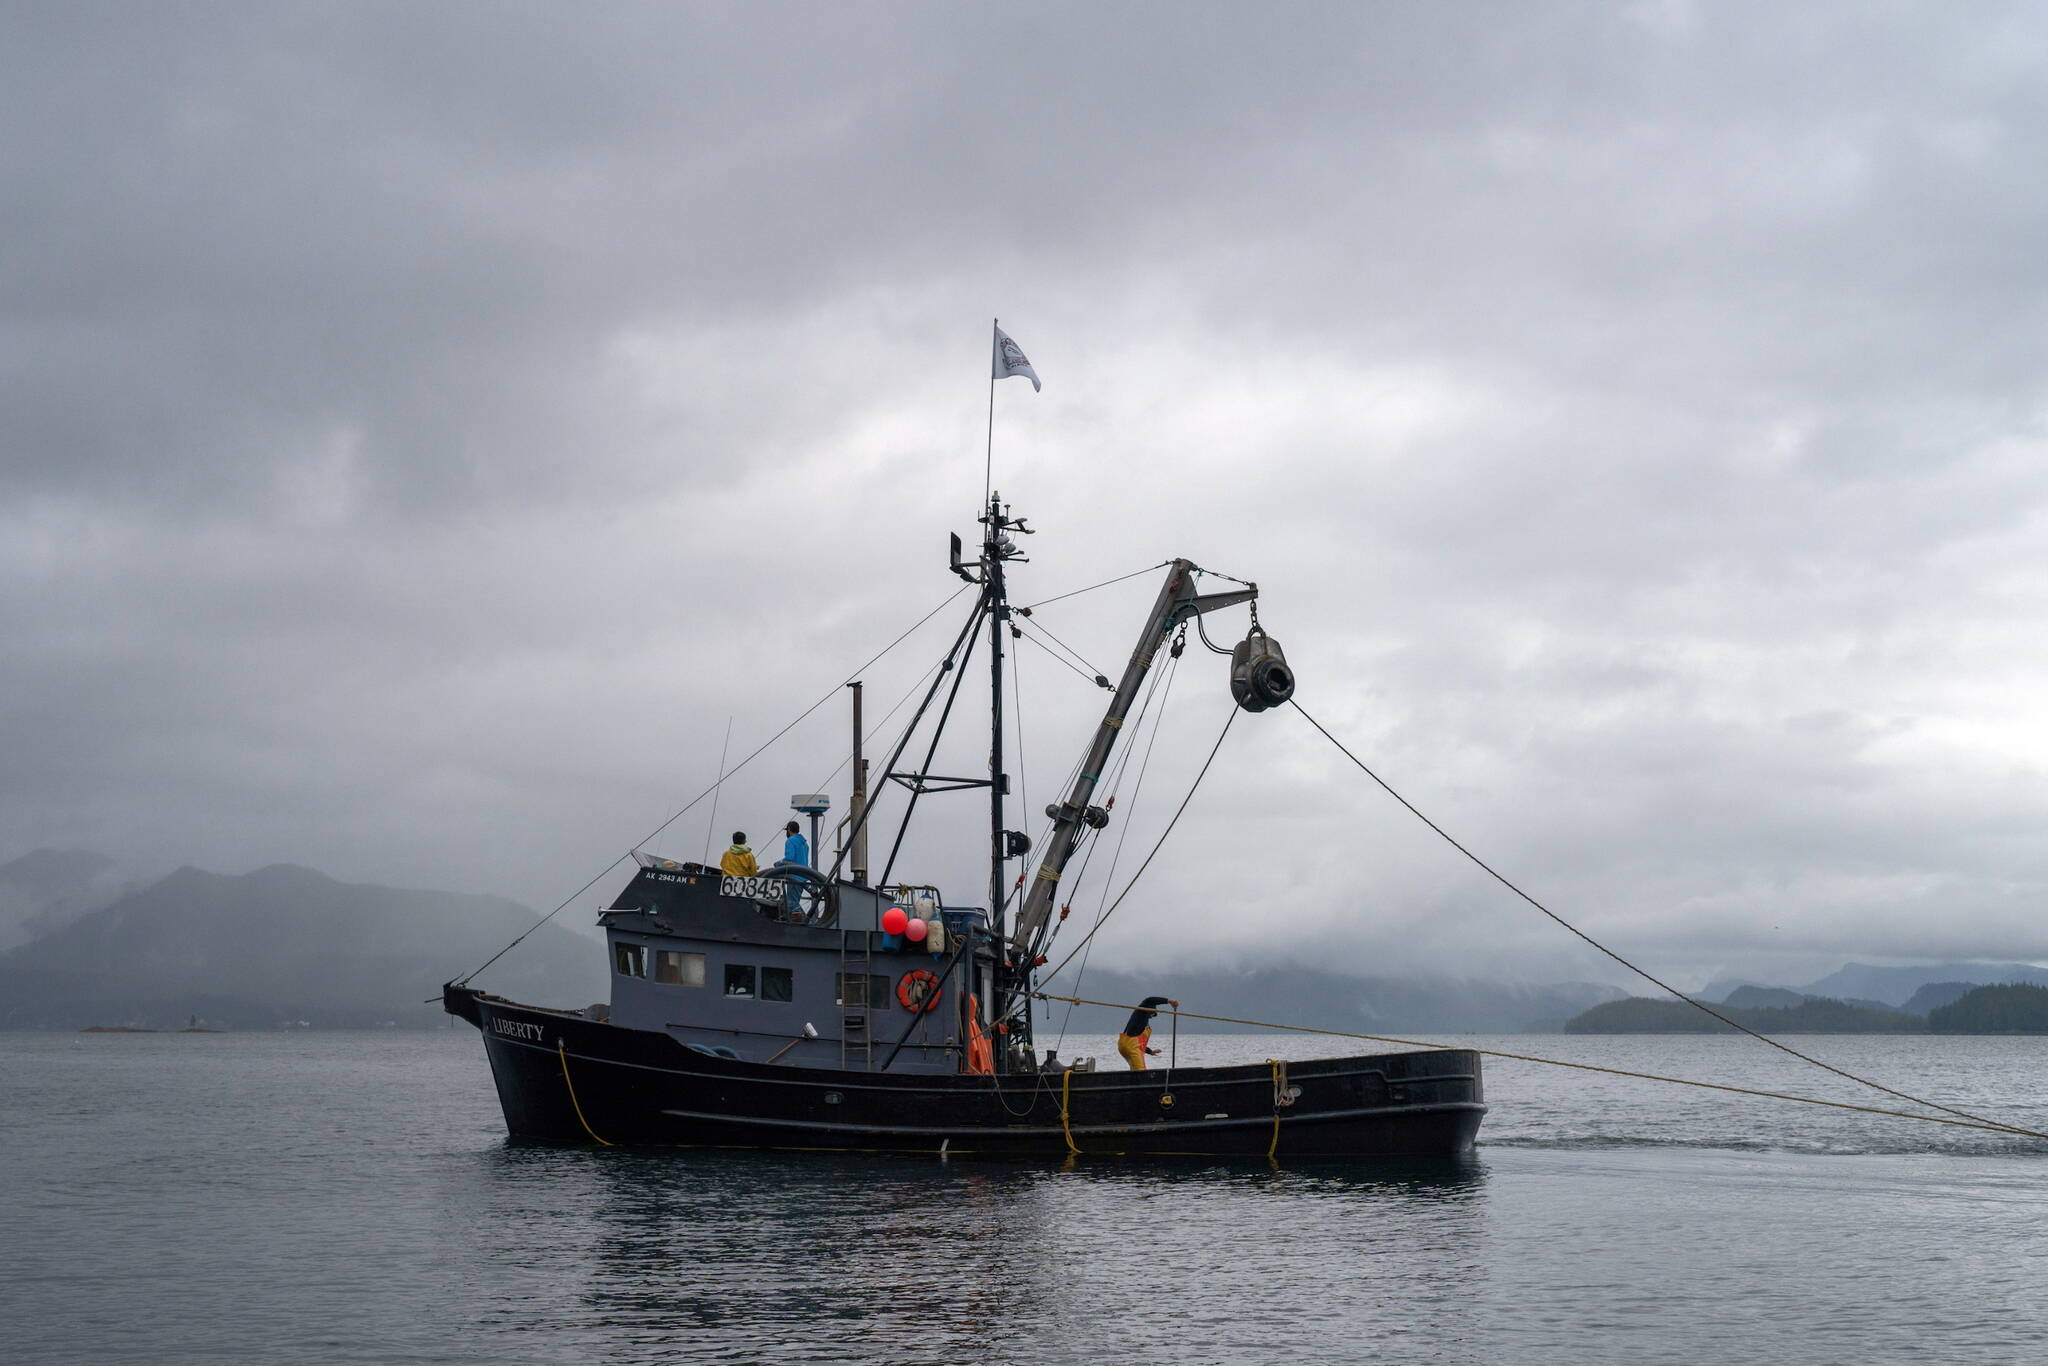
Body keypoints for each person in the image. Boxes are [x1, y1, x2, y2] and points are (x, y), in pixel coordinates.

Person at [1115, 996, 1178, 1071]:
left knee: (1135, 1069)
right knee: (1141, 1070)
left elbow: (1139, 1044)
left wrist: (1150, 1051)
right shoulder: (1141, 1012)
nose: (1151, 1017)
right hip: (1130, 1046)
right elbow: (1150, 1000)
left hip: (1127, 1044)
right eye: (1152, 1014)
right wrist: (1169, 1001)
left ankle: (1133, 1081)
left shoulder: (1142, 1023)